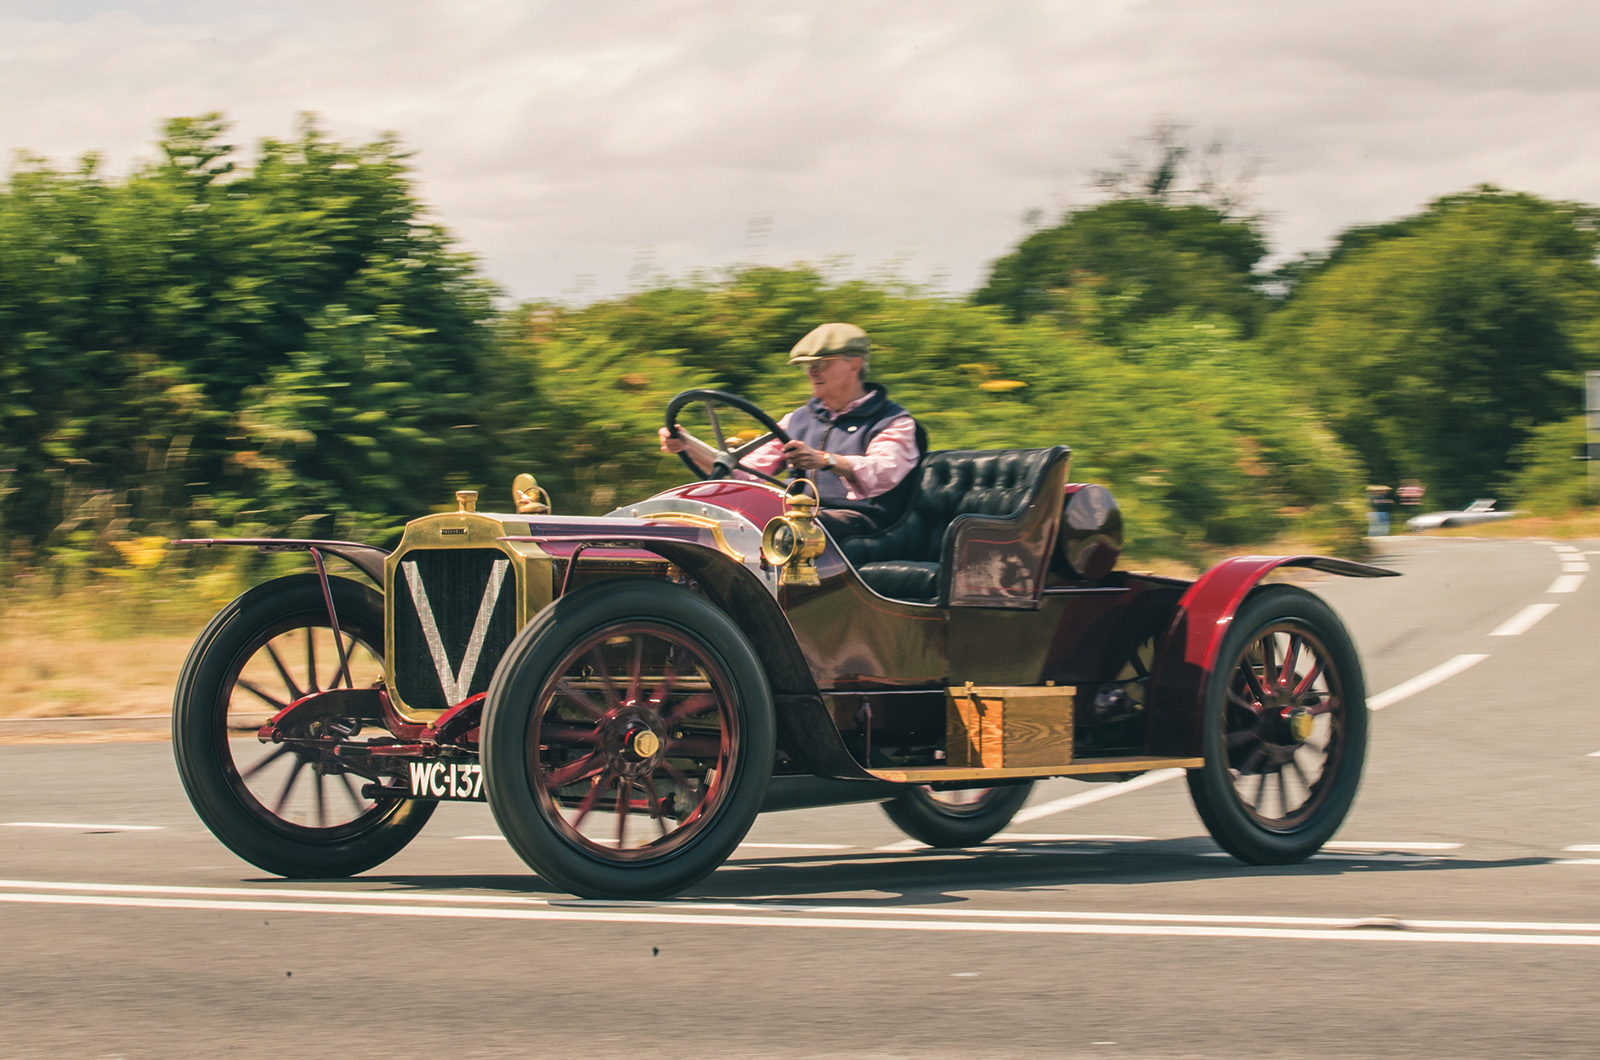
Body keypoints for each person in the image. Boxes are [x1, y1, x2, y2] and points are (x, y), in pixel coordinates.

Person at [659, 322, 925, 539]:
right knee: (712, 517)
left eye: (821, 364)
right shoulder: (798, 419)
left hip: (860, 520)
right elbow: (743, 472)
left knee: (777, 525)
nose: (811, 372)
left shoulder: (893, 421)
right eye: (807, 366)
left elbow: (884, 470)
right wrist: (688, 445)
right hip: (797, 512)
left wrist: (825, 460)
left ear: (854, 364)